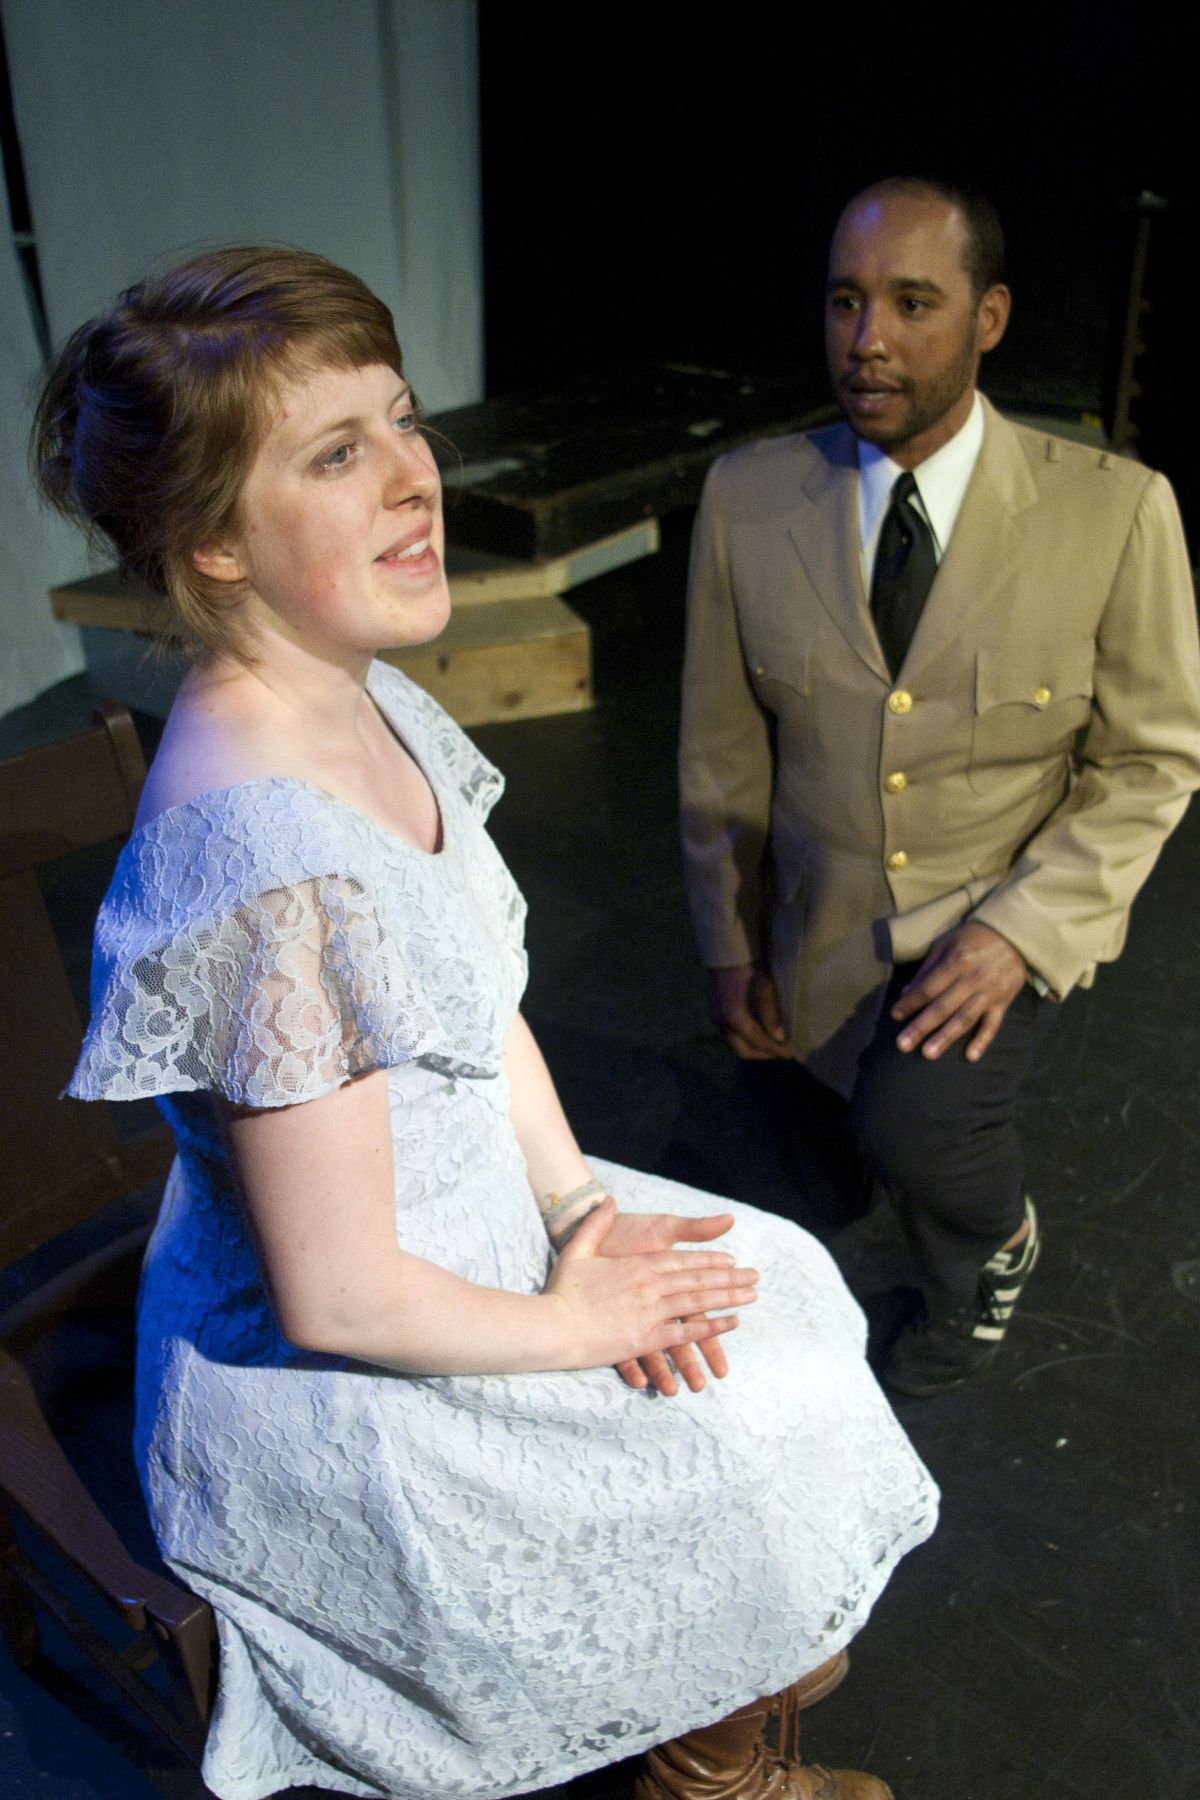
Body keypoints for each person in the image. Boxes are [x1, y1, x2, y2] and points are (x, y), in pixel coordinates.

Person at [36, 247, 937, 1800]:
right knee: (736, 1446)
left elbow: (478, 996)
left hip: (466, 1234)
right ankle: (714, 1773)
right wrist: (582, 1326)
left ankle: (719, 1727)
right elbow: (340, 1297)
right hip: (354, 1356)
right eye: (338, 454)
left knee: (774, 1297)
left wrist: (580, 1207)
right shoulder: (271, 871)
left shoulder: (365, 691)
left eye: (402, 420)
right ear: (212, 540)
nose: (416, 477)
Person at [680, 175, 1200, 1399]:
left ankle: (990, 1253)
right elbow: (719, 751)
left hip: (993, 914)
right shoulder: (748, 499)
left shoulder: (1116, 512)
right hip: (824, 922)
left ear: (990, 318)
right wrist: (729, 944)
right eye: (845, 302)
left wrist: (1020, 932)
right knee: (796, 1184)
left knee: (918, 1130)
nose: (867, 339)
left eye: (913, 304)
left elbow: (1152, 757)